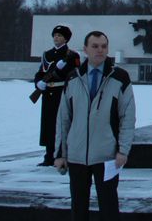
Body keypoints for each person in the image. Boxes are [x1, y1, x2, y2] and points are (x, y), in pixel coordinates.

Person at [55, 31, 136, 221]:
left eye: (104, 46)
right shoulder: (73, 78)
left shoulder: (119, 78)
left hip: (107, 156)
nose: (100, 50)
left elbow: (128, 117)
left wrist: (123, 150)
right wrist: (60, 154)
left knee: (108, 208)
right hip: (77, 155)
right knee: (78, 208)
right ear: (85, 49)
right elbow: (63, 118)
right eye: (95, 46)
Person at [33, 25, 80, 166]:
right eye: (55, 35)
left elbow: (75, 75)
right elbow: (41, 72)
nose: (56, 38)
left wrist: (61, 70)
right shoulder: (47, 54)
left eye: (59, 35)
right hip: (48, 93)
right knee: (48, 125)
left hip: (62, 92)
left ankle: (62, 154)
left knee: (62, 124)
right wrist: (38, 83)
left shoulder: (71, 55)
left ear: (66, 38)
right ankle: (49, 156)